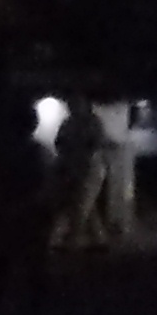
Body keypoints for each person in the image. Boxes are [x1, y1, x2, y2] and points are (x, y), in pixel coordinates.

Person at [0, 102, 53, 315]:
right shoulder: (40, 151)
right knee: (33, 270)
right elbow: (46, 187)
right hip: (29, 216)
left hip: (1, 214)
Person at [51, 98, 118, 249]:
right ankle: (100, 240)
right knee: (87, 205)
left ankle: (71, 241)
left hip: (91, 170)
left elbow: (95, 145)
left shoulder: (93, 122)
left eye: (76, 104)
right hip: (73, 168)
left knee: (81, 206)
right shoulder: (68, 123)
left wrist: (77, 151)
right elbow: (59, 142)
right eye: (71, 104)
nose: (72, 107)